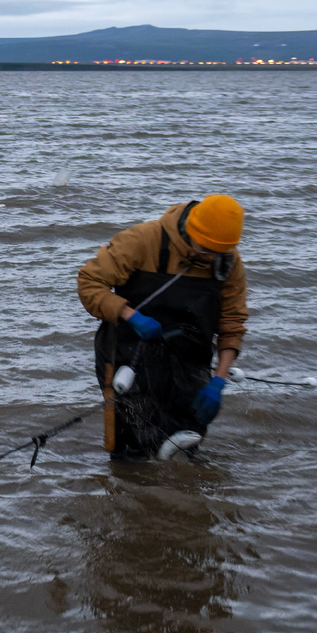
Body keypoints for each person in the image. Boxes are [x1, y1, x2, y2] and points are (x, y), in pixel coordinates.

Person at [77, 195, 248, 459]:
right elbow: (89, 282)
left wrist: (218, 381)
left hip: (189, 361)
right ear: (191, 231)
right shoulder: (142, 239)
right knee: (132, 449)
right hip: (128, 355)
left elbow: (232, 324)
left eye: (218, 253)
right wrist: (130, 315)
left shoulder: (227, 260)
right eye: (205, 250)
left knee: (186, 441)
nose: (211, 259)